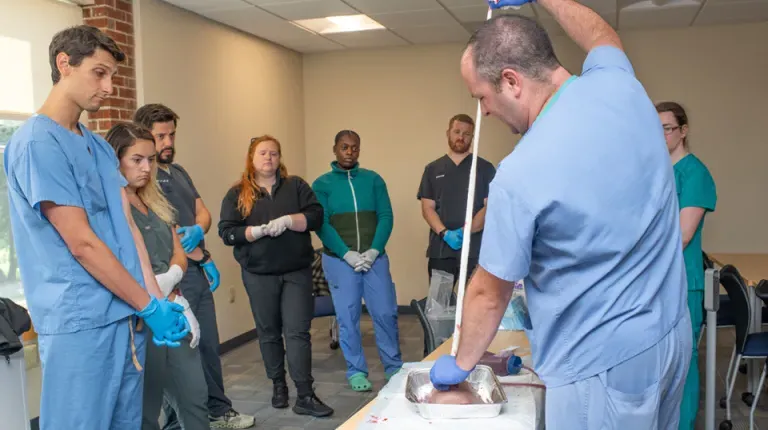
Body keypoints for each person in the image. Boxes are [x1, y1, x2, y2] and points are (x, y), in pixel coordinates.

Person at [429, 2, 693, 428]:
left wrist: (460, 363)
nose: (486, 113)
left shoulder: (521, 172)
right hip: (669, 337)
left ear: (511, 82)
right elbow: (602, 35)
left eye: (482, 98)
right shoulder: (620, 86)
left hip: (600, 367)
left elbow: (489, 293)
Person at [3, 26, 188, 430]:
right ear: (64, 64)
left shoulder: (99, 146)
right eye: (99, 73)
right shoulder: (38, 142)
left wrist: (155, 300)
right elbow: (82, 243)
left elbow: (127, 228)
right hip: (79, 322)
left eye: (112, 77)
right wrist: (145, 304)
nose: (107, 87)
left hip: (124, 316)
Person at [133, 104, 255, 429]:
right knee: (182, 357)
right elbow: (166, 233)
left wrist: (200, 233)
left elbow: (203, 214)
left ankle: (214, 411)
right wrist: (204, 256)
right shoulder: (146, 180)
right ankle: (195, 417)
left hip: (194, 272)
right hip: (173, 279)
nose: (168, 141)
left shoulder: (180, 172)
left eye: (172, 134)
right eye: (161, 136)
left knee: (207, 348)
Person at [104, 123, 211, 430]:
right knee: (145, 408)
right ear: (116, 159)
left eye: (150, 159)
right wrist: (159, 292)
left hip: (173, 306)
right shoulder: (111, 207)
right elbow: (120, 264)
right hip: (141, 316)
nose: (146, 167)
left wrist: (172, 280)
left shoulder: (156, 200)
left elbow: (178, 250)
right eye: (137, 160)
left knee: (195, 395)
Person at [218, 135, 334, 417]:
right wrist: (253, 232)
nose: (269, 158)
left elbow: (317, 216)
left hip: (296, 271)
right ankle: (278, 385)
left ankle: (305, 394)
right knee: (269, 333)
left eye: (274, 153)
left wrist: (290, 221)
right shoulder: (237, 194)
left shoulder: (296, 186)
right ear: (251, 158)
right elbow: (226, 232)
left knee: (297, 332)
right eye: (263, 153)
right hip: (259, 274)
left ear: (280, 158)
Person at [312, 130, 403, 392]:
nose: (349, 152)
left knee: (385, 312)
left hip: (375, 259)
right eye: (344, 147)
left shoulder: (373, 180)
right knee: (347, 315)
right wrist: (346, 254)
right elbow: (322, 224)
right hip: (339, 261)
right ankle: (356, 370)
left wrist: (374, 251)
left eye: (354, 148)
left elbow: (386, 216)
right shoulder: (322, 185)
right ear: (335, 149)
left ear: (359, 150)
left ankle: (393, 366)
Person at [657, 101, 717, 430]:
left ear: (683, 131)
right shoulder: (657, 172)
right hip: (655, 282)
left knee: (683, 363)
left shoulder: (695, 173)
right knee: (662, 365)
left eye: (667, 127)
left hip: (682, 281)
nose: (661, 135)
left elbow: (681, 235)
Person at [417, 114, 496, 285]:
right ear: (448, 133)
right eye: (457, 131)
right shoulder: (432, 169)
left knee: (474, 306)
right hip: (441, 250)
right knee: (439, 306)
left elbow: (490, 207)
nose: (461, 137)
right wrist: (445, 233)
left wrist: (465, 231)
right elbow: (427, 208)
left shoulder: (485, 168)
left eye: (467, 134)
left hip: (475, 251)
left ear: (472, 137)